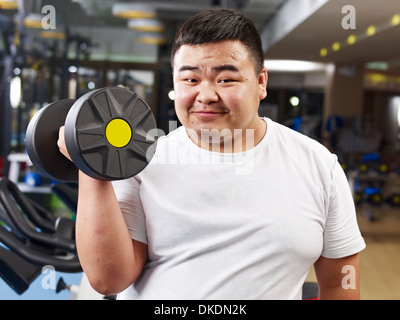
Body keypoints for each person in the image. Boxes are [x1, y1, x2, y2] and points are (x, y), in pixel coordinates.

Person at [58, 7, 365, 300]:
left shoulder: (318, 166)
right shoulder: (142, 163)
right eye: (190, 79)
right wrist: (92, 165)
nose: (205, 95)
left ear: (260, 82)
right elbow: (108, 279)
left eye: (226, 79)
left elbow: (341, 283)